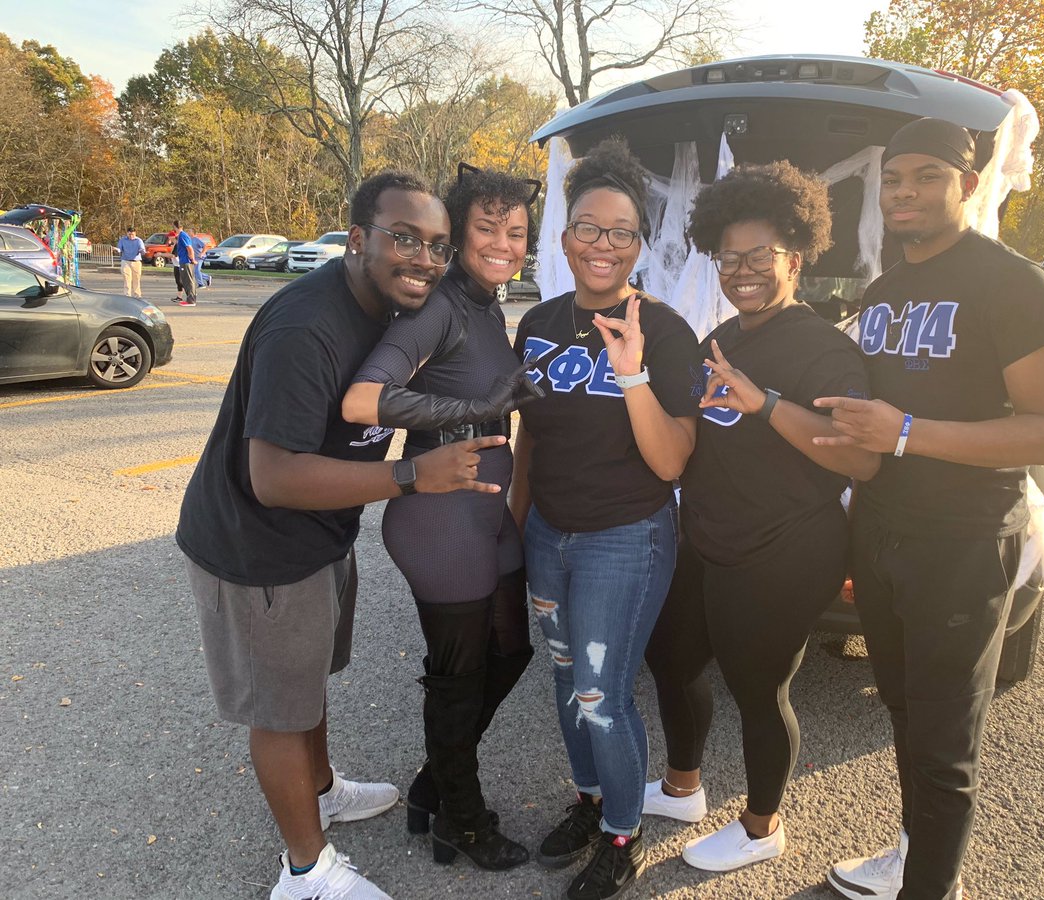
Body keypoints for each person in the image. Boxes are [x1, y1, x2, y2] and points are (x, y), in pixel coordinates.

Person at [176, 170, 507, 900]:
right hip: (257, 543)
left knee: (305, 683)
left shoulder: (383, 307)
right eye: (403, 239)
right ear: (356, 239)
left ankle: (320, 789)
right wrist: (415, 479)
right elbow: (276, 477)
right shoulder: (308, 326)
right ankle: (305, 872)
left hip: (322, 534)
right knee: (279, 708)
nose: (423, 258)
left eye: (437, 246)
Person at [815, 119, 1044, 900]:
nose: (905, 193)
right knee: (902, 710)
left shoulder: (1014, 284)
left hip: (963, 543)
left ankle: (934, 885)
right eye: (894, 180)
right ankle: (913, 853)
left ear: (966, 185)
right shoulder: (886, 289)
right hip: (884, 530)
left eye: (927, 177)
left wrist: (905, 434)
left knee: (945, 741)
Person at [642, 162, 881, 873]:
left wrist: (768, 404)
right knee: (672, 657)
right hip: (709, 536)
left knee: (757, 688)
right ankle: (683, 787)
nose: (741, 271)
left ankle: (759, 827)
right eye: (729, 258)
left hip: (783, 548)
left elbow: (861, 461)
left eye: (759, 257)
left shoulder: (826, 348)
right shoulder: (727, 336)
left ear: (796, 259)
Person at [509, 138, 701, 900]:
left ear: (639, 246)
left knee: (602, 693)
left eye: (621, 232)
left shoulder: (667, 331)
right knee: (564, 677)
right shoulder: (539, 325)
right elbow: (530, 440)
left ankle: (623, 835)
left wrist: (632, 373)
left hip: (626, 538)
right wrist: (514, 526)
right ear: (565, 238)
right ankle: (590, 802)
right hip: (547, 534)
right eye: (589, 227)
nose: (603, 244)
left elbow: (671, 462)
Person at [341, 165, 543, 871]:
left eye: (515, 231)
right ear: (458, 235)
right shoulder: (443, 306)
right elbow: (365, 400)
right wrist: (473, 413)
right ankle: (463, 818)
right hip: (440, 521)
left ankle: (433, 784)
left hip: (485, 515)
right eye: (487, 227)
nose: (503, 242)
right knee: (457, 679)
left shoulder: (488, 302)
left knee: (512, 650)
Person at [116, 226, 146, 298]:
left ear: (135, 234)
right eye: (129, 234)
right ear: (127, 233)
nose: (131, 236)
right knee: (127, 279)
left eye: (132, 234)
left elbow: (142, 249)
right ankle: (127, 295)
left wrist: (141, 251)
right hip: (126, 261)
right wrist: (117, 250)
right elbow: (119, 249)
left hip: (136, 261)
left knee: (136, 279)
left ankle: (137, 295)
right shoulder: (123, 240)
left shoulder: (139, 240)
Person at [174, 223, 198, 306]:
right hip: (183, 261)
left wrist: (192, 259)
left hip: (186, 261)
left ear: (175, 227)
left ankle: (191, 300)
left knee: (188, 281)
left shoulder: (182, 235)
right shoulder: (182, 235)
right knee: (186, 280)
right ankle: (190, 298)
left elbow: (189, 248)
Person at [168, 220, 185, 302]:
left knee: (181, 282)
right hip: (176, 265)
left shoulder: (177, 244)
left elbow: (173, 255)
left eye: (170, 237)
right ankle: (179, 297)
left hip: (180, 264)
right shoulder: (173, 245)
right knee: (178, 281)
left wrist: (161, 254)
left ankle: (190, 294)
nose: (169, 238)